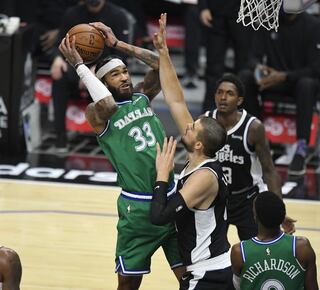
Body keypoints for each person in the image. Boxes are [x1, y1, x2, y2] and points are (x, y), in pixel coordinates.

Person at [58, 19, 184, 290]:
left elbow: (162, 65)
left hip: (173, 198)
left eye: (125, 72)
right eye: (115, 75)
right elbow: (106, 103)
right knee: (127, 284)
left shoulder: (142, 97)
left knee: (191, 279)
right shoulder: (97, 113)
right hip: (139, 207)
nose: (125, 77)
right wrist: (80, 66)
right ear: (102, 82)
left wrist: (118, 45)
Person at [150, 13, 233, 290]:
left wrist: (163, 177)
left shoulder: (203, 178)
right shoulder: (201, 155)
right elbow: (175, 97)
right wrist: (163, 52)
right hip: (203, 269)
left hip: (208, 274)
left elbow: (160, 216)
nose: (186, 127)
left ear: (198, 144)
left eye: (191, 128)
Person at [204, 73, 296, 240]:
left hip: (247, 199)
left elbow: (269, 170)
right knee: (211, 254)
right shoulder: (205, 122)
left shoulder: (253, 128)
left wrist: (278, 211)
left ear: (239, 100)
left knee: (257, 251)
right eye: (219, 92)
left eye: (229, 93)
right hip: (216, 199)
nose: (223, 97)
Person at [239, 12, 320, 176]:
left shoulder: (313, 25)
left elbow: (315, 69)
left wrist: (285, 76)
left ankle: (301, 149)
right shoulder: (268, 21)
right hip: (272, 80)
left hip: (297, 81)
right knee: (245, 77)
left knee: (306, 84)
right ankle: (257, 137)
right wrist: (259, 70)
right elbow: (252, 57)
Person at [50, 0, 134, 151]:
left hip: (103, 70)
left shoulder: (118, 15)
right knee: (58, 78)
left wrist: (98, 69)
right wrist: (57, 59)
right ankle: (60, 136)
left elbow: (122, 55)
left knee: (107, 82)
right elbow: (60, 42)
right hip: (75, 66)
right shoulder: (72, 13)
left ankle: (109, 136)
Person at [231, 191, 319, 290]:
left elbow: (238, 287)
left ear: (255, 218)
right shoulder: (302, 247)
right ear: (282, 215)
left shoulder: (239, 252)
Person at [199, 0, 254, 111]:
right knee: (213, 68)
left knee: (244, 67)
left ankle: (241, 112)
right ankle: (208, 113)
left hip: (245, 12)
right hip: (216, 13)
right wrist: (203, 6)